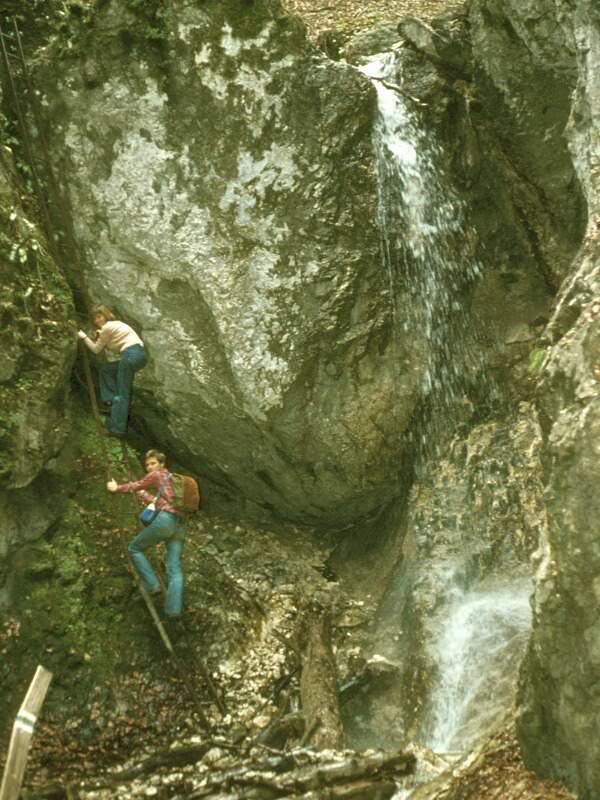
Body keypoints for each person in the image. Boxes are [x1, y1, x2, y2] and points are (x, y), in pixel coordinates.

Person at [107, 449, 186, 619]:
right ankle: (174, 610)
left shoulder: (157, 475)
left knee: (134, 548)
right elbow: (161, 501)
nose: (150, 467)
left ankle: (153, 585)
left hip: (166, 521)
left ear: (161, 464)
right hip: (180, 525)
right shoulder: (172, 479)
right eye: (147, 464)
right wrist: (144, 495)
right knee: (175, 569)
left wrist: (116, 487)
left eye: (153, 463)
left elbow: (135, 485)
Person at [78, 304, 147, 437]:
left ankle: (117, 429)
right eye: (95, 319)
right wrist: (100, 337)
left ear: (106, 315)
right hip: (139, 355)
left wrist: (84, 337)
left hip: (130, 355)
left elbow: (96, 350)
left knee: (122, 395)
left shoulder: (107, 327)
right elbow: (113, 345)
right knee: (106, 370)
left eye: (99, 317)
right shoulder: (117, 325)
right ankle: (110, 399)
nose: (97, 321)